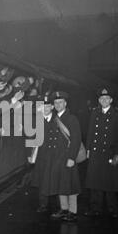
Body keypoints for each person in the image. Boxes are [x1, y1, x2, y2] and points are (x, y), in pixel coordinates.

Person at [31, 92, 81, 221]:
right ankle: (64, 209)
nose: (58, 104)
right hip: (55, 157)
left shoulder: (71, 118)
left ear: (65, 103)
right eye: (56, 103)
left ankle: (73, 211)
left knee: (70, 183)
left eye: (61, 102)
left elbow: (76, 140)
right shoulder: (53, 118)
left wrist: (71, 157)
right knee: (61, 183)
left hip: (67, 156)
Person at [84, 88, 118, 218]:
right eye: (102, 99)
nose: (104, 100)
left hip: (110, 153)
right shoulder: (94, 113)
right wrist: (88, 149)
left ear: (111, 100)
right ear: (98, 100)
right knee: (95, 182)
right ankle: (95, 208)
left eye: (107, 98)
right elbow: (90, 132)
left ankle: (112, 209)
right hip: (96, 152)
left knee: (110, 183)